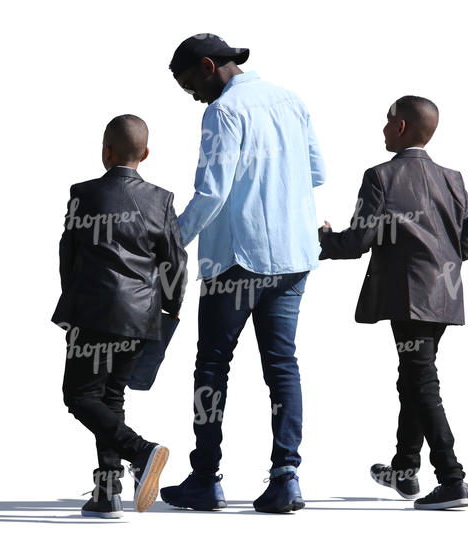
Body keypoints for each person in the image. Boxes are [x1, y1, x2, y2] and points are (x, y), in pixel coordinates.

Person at [159, 34, 326, 513]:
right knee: (282, 366)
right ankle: (286, 478)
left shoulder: (223, 112)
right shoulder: (290, 100)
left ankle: (205, 477)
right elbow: (316, 171)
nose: (192, 96)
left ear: (209, 66)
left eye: (190, 85)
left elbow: (211, 194)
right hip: (294, 257)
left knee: (212, 365)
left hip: (237, 257)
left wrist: (171, 243)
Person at [318, 96, 468, 510]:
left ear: (402, 127)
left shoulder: (380, 176)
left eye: (387, 122)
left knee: (422, 382)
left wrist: (320, 237)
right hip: (446, 296)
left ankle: (452, 478)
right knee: (413, 378)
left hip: (409, 297)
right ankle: (404, 469)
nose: (383, 129)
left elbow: (357, 241)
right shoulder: (454, 178)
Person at [51, 114, 188, 518]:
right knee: (110, 398)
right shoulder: (161, 199)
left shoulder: (83, 194)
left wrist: (72, 299)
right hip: (140, 316)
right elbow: (175, 262)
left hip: (92, 312)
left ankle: (141, 452)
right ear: (145, 154)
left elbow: (68, 255)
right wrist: (171, 307)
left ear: (105, 151)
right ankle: (107, 491)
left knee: (79, 397)